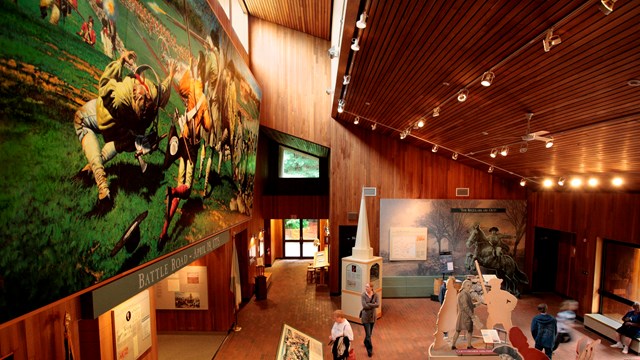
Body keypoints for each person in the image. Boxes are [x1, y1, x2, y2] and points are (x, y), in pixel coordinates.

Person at [74, 50, 176, 204]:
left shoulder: (123, 95)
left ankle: (101, 182)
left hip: (107, 120)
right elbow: (164, 89)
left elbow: (104, 83)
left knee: (80, 119)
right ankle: (92, 167)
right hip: (125, 133)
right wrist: (171, 75)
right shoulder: (154, 96)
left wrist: (120, 62)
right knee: (121, 143)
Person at [451, 279, 478, 350]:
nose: (469, 287)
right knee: (465, 330)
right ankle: (457, 345)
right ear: (464, 286)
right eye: (468, 285)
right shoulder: (463, 294)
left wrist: (476, 305)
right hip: (465, 316)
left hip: (465, 315)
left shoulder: (466, 293)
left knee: (462, 330)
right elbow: (466, 307)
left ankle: (457, 345)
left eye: (470, 285)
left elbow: (469, 305)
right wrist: (472, 316)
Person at [360, 282, 380, 357]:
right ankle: (370, 350)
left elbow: (378, 304)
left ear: (371, 288)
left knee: (369, 333)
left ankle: (365, 341)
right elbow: (364, 305)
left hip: (373, 317)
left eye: (367, 287)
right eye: (365, 287)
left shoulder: (375, 295)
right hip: (365, 317)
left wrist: (369, 304)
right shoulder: (363, 295)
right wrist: (373, 305)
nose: (366, 288)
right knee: (368, 335)